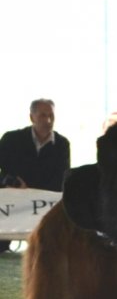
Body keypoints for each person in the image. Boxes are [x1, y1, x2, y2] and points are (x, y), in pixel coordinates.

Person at [0, 98, 71, 254]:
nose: (48, 120)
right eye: (42, 115)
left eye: (51, 116)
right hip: (10, 204)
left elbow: (62, 177)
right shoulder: (11, 140)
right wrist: (11, 184)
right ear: (32, 117)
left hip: (44, 207)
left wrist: (31, 190)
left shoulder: (61, 144)